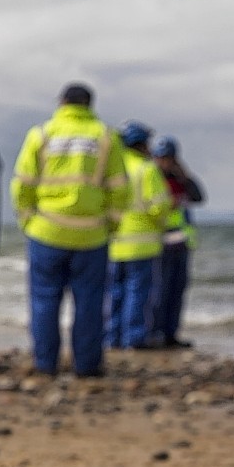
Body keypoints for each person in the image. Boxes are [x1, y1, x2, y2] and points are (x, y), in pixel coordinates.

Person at [10, 83, 129, 377]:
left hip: (46, 232)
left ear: (61, 102)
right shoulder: (105, 137)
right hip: (92, 235)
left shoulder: (41, 134)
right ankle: (87, 365)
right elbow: (119, 188)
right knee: (89, 303)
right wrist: (110, 224)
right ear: (89, 105)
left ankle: (45, 363)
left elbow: (22, 183)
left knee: (44, 301)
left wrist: (27, 220)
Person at [105, 121, 173, 349]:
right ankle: (134, 338)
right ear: (141, 145)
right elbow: (159, 207)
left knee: (114, 293)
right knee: (138, 294)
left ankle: (112, 337)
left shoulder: (113, 168)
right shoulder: (146, 169)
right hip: (142, 244)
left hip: (114, 243)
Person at [152, 135, 205, 348]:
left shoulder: (180, 180)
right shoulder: (152, 178)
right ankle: (154, 333)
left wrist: (185, 176)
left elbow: (199, 197)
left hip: (181, 244)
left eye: (169, 158)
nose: (165, 162)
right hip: (160, 243)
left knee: (176, 292)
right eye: (162, 158)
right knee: (159, 292)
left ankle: (170, 334)